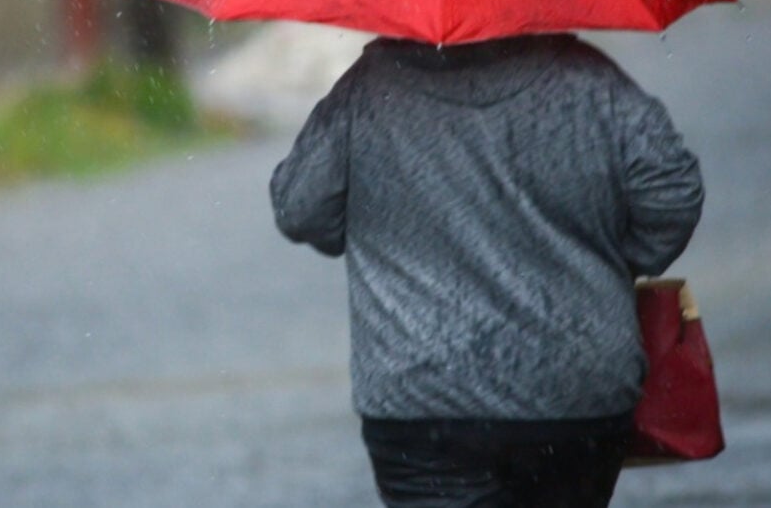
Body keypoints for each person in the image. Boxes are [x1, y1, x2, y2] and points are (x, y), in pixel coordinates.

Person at [269, 33, 704, 507]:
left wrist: (377, 230)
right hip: (575, 390)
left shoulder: (369, 90)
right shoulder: (592, 80)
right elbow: (672, 192)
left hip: (425, 400)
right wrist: (605, 266)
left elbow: (300, 207)